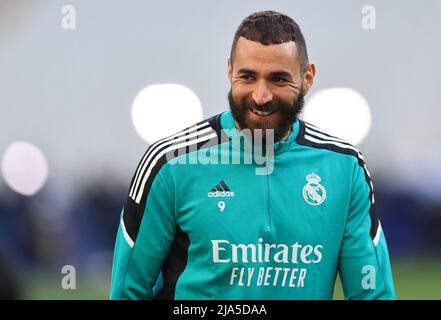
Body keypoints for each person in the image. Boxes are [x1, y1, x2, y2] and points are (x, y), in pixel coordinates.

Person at [110, 10, 396, 300]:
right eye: (247, 76)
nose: (261, 96)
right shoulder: (171, 163)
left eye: (278, 79)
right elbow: (128, 291)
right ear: (229, 71)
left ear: (307, 77)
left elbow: (372, 293)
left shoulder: (344, 168)